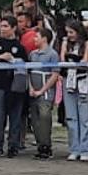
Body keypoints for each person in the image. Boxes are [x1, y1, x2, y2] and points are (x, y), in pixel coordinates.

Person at [0, 16, 29, 157]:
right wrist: (0, 58)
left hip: (15, 86)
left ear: (13, 28)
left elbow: (25, 66)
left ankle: (13, 146)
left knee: (15, 117)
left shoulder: (20, 47)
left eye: (5, 26)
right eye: (1, 26)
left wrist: (13, 60)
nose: (3, 29)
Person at [61, 22, 88, 162]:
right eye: (67, 32)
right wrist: (65, 48)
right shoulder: (66, 44)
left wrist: (75, 60)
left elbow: (86, 61)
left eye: (71, 32)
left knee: (84, 117)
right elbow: (63, 60)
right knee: (71, 117)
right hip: (69, 81)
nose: (69, 36)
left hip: (83, 81)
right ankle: (74, 148)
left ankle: (85, 149)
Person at [27, 29, 60, 160]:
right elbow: (28, 72)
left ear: (45, 39)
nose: (34, 39)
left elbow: (55, 74)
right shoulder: (32, 54)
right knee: (35, 119)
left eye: (37, 37)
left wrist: (42, 90)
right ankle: (40, 145)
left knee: (45, 117)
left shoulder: (52, 54)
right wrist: (30, 88)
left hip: (45, 92)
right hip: (33, 90)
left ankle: (47, 145)